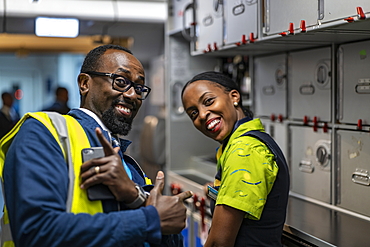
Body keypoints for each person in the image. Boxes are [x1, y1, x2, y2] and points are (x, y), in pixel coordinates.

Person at [0, 44, 192, 247]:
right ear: (84, 83)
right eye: (120, 82)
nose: (132, 95)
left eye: (139, 88)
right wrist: (149, 220)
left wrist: (135, 197)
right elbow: (37, 232)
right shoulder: (45, 132)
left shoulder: (128, 164)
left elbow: (167, 232)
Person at [181, 71, 290, 247]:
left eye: (208, 101)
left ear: (234, 97)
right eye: (193, 113)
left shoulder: (245, 150)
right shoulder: (237, 144)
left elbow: (219, 242)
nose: (202, 115)